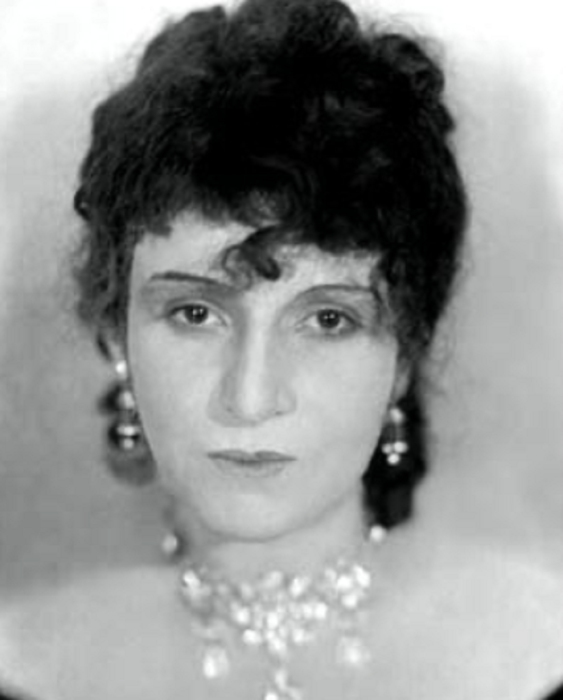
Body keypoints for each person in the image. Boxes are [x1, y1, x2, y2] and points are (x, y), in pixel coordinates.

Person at [0, 0, 562, 698]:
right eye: (196, 313)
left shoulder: (537, 650)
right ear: (118, 336)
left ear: (404, 357)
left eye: (327, 320)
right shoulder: (24, 662)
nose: (251, 397)